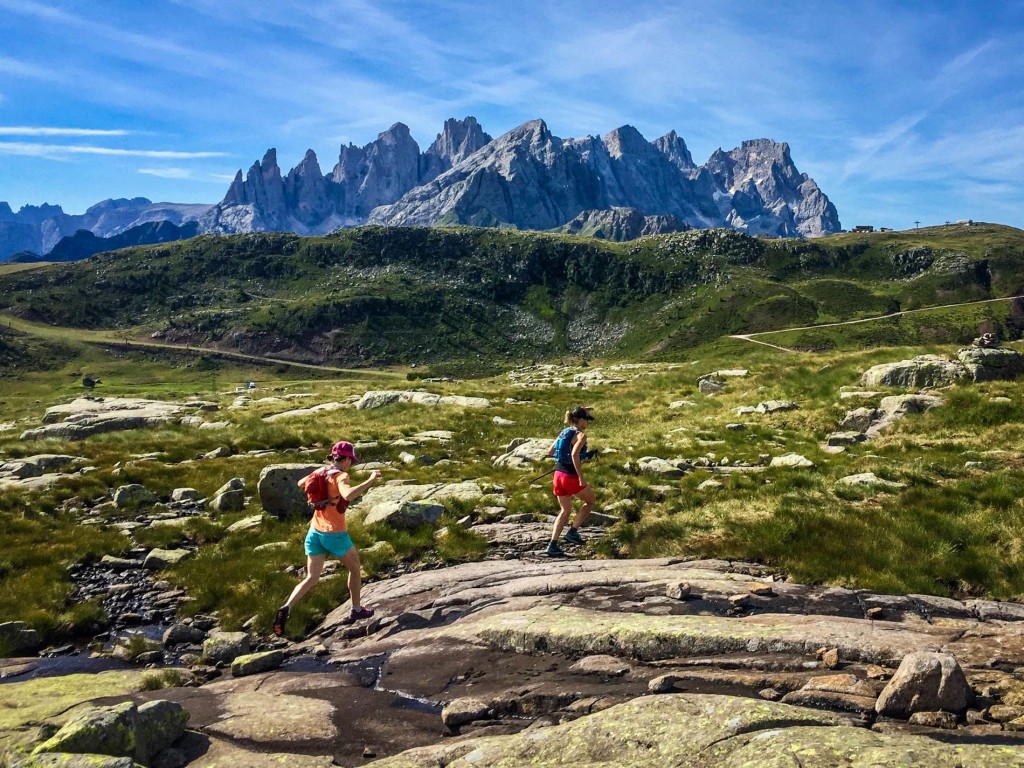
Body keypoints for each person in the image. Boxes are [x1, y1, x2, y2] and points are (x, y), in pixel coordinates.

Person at [273, 440, 382, 636]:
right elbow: (348, 495)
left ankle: (287, 607)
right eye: (351, 460)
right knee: (355, 569)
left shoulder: (322, 471)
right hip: (334, 533)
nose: (351, 463)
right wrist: (371, 479)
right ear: (347, 459)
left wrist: (325, 496)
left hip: (315, 532)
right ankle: (356, 610)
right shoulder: (341, 476)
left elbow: (300, 483)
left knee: (312, 577)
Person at [545, 405, 596, 557]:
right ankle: (572, 532)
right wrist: (580, 476)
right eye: (586, 420)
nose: (587, 423)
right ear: (580, 421)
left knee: (565, 511)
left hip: (558, 475)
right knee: (590, 500)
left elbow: (551, 451)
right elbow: (574, 454)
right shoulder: (581, 435)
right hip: (570, 477)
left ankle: (552, 545)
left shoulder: (564, 432)